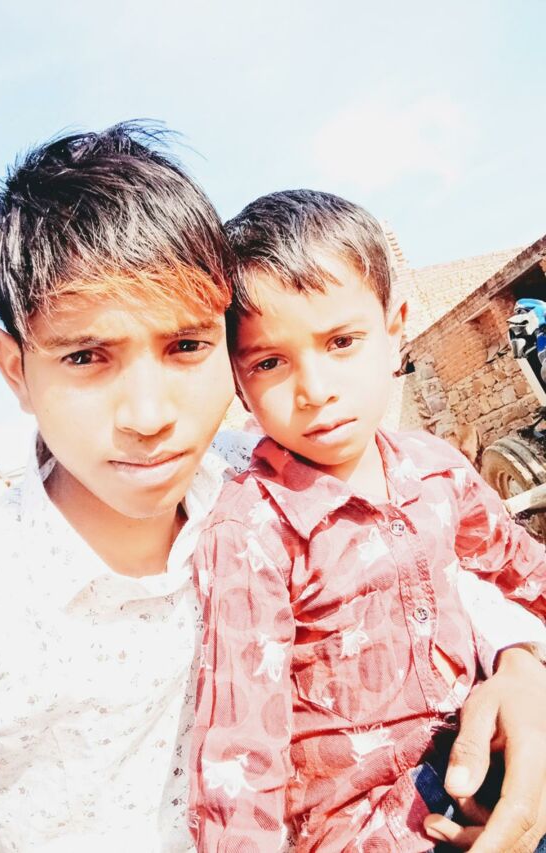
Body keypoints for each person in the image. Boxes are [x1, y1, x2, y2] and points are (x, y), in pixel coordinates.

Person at [0, 126, 544, 853]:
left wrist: (520, 665)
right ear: (14, 369)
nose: (149, 416)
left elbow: (425, 555)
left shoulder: (272, 475)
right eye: (85, 356)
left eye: (186, 345)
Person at [189, 189, 546, 852]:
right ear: (238, 380)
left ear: (394, 329)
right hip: (366, 833)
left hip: (489, 771)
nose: (315, 388)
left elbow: (525, 572)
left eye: (341, 342)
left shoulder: (438, 472)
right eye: (270, 362)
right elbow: (239, 757)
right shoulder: (252, 531)